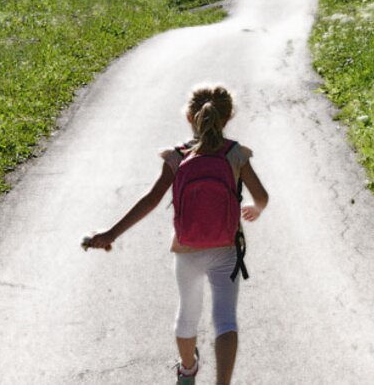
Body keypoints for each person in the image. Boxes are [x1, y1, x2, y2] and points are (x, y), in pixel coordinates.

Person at [84, 84, 269, 385]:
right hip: (226, 246)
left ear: (189, 117)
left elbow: (150, 200)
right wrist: (255, 209)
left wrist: (110, 233)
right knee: (225, 318)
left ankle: (187, 370)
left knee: (187, 313)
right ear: (228, 117)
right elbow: (261, 197)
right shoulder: (235, 154)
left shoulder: (179, 156)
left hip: (187, 248)